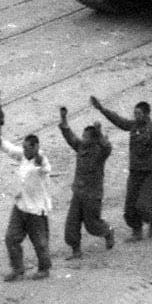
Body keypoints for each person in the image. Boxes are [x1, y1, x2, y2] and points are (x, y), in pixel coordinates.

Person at [94, 95, 152, 236]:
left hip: (149, 173)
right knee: (129, 207)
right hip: (134, 171)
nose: (136, 116)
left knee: (144, 206)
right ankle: (137, 230)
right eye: (135, 113)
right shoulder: (133, 126)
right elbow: (118, 120)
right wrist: (102, 109)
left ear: (146, 114)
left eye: (139, 113)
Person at [57, 108, 116, 257]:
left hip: (92, 195)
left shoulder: (100, 151)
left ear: (93, 139)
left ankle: (107, 231)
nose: (83, 139)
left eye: (86, 137)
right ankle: (76, 250)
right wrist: (63, 119)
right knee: (72, 223)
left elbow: (108, 148)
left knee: (92, 225)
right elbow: (69, 136)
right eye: (83, 136)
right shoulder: (81, 146)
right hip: (78, 193)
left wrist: (100, 133)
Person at [0, 133, 54, 277]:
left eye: (27, 148)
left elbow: (46, 168)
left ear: (35, 147)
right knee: (11, 238)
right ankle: (17, 267)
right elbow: (8, 148)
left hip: (36, 209)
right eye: (23, 147)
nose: (24, 150)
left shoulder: (41, 160)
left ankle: (44, 269)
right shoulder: (24, 155)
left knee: (40, 243)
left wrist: (39, 159)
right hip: (21, 204)